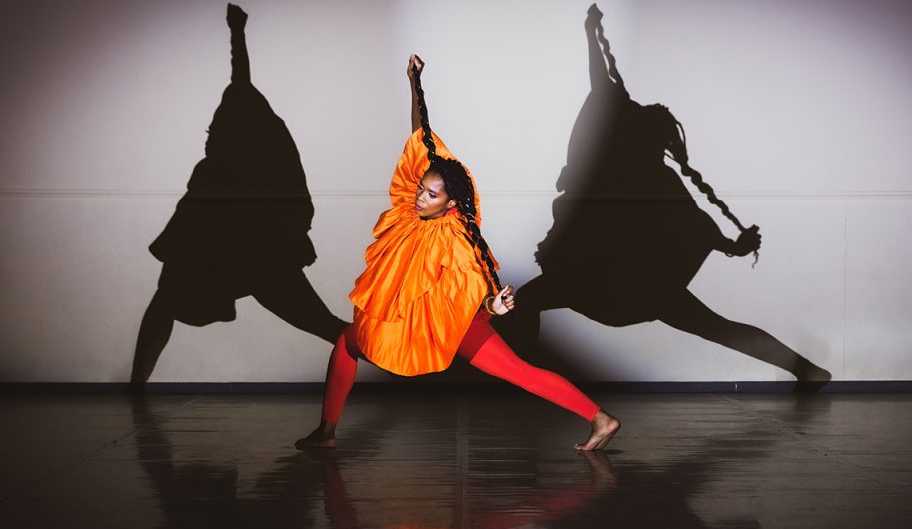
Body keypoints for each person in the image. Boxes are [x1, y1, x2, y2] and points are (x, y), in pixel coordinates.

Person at [295, 55, 620, 451]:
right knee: (347, 342)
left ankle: (600, 418)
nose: (420, 197)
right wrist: (415, 84)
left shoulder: (456, 234)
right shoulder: (409, 212)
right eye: (421, 189)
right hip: (421, 319)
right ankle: (326, 432)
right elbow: (421, 135)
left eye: (431, 194)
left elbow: (475, 280)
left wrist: (492, 304)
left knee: (518, 371)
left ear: (450, 203)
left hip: (451, 323)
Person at [507, 5, 830, 392]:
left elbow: (603, 88)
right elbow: (700, 228)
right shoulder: (654, 176)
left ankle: (525, 381)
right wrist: (734, 246)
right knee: (718, 329)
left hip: (599, 284)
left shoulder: (625, 168)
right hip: (640, 292)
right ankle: (807, 370)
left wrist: (590, 33)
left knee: (526, 300)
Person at [128, 4, 346, 391]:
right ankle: (136, 386)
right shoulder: (218, 173)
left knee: (323, 324)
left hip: (256, 258)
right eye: (211, 128)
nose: (209, 133)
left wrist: (237, 34)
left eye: (216, 128)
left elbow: (240, 80)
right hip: (238, 257)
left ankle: (402, 359)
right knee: (164, 303)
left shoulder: (231, 171)